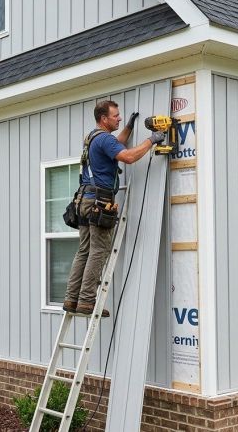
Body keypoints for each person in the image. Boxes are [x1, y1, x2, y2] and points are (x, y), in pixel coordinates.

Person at [64, 100, 165, 317]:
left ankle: (72, 299)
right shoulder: (105, 140)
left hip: (83, 200)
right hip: (99, 202)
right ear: (104, 119)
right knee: (99, 250)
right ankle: (87, 301)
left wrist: (128, 127)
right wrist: (152, 139)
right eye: (116, 116)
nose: (119, 118)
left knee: (84, 250)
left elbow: (116, 146)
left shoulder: (93, 137)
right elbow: (128, 157)